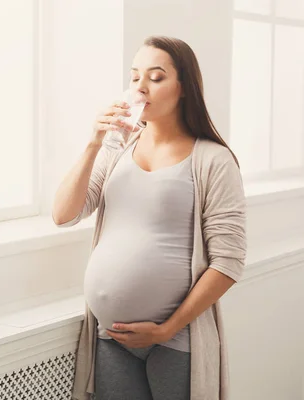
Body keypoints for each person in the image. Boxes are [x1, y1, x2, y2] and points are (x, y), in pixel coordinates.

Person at [52, 36, 247, 400]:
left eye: (156, 77)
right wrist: (94, 142)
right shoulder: (117, 147)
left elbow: (228, 262)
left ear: (184, 87)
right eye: (135, 76)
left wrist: (166, 329)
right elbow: (64, 214)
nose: (140, 88)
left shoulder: (213, 160)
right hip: (111, 338)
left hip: (175, 340)